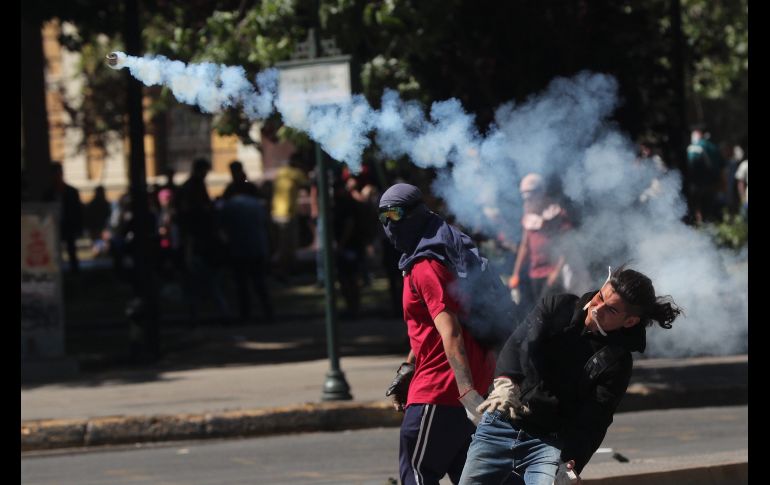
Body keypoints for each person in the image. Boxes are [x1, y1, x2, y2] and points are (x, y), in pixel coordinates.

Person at [459, 265, 682, 485]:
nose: (597, 308)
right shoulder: (558, 306)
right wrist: (505, 381)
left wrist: (571, 463)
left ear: (630, 321)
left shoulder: (617, 362)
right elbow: (519, 344)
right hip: (502, 422)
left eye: (610, 309)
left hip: (549, 443)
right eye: (600, 297)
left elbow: (595, 420)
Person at [379, 183, 496, 485]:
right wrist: (408, 367)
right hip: (452, 390)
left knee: (417, 470)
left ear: (415, 214)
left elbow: (451, 331)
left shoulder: (426, 265)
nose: (389, 224)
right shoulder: (443, 253)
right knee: (472, 477)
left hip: (440, 391)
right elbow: (427, 329)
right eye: (382, 217)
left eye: (394, 214)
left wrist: (466, 392)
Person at [508, 174, 575, 314]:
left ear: (541, 192)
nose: (528, 198)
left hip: (553, 272)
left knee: (550, 311)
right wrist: (515, 273)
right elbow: (525, 245)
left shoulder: (556, 212)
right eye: (525, 194)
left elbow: (566, 245)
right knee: (538, 310)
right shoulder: (528, 212)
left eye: (531, 194)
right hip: (535, 272)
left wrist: (556, 273)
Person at [43, 162, 84, 272]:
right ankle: (57, 273)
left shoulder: (71, 192)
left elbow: (77, 211)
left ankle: (74, 272)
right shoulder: (49, 194)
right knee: (55, 251)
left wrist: (78, 227)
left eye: (58, 174)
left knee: (71, 250)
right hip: (54, 226)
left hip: (69, 225)